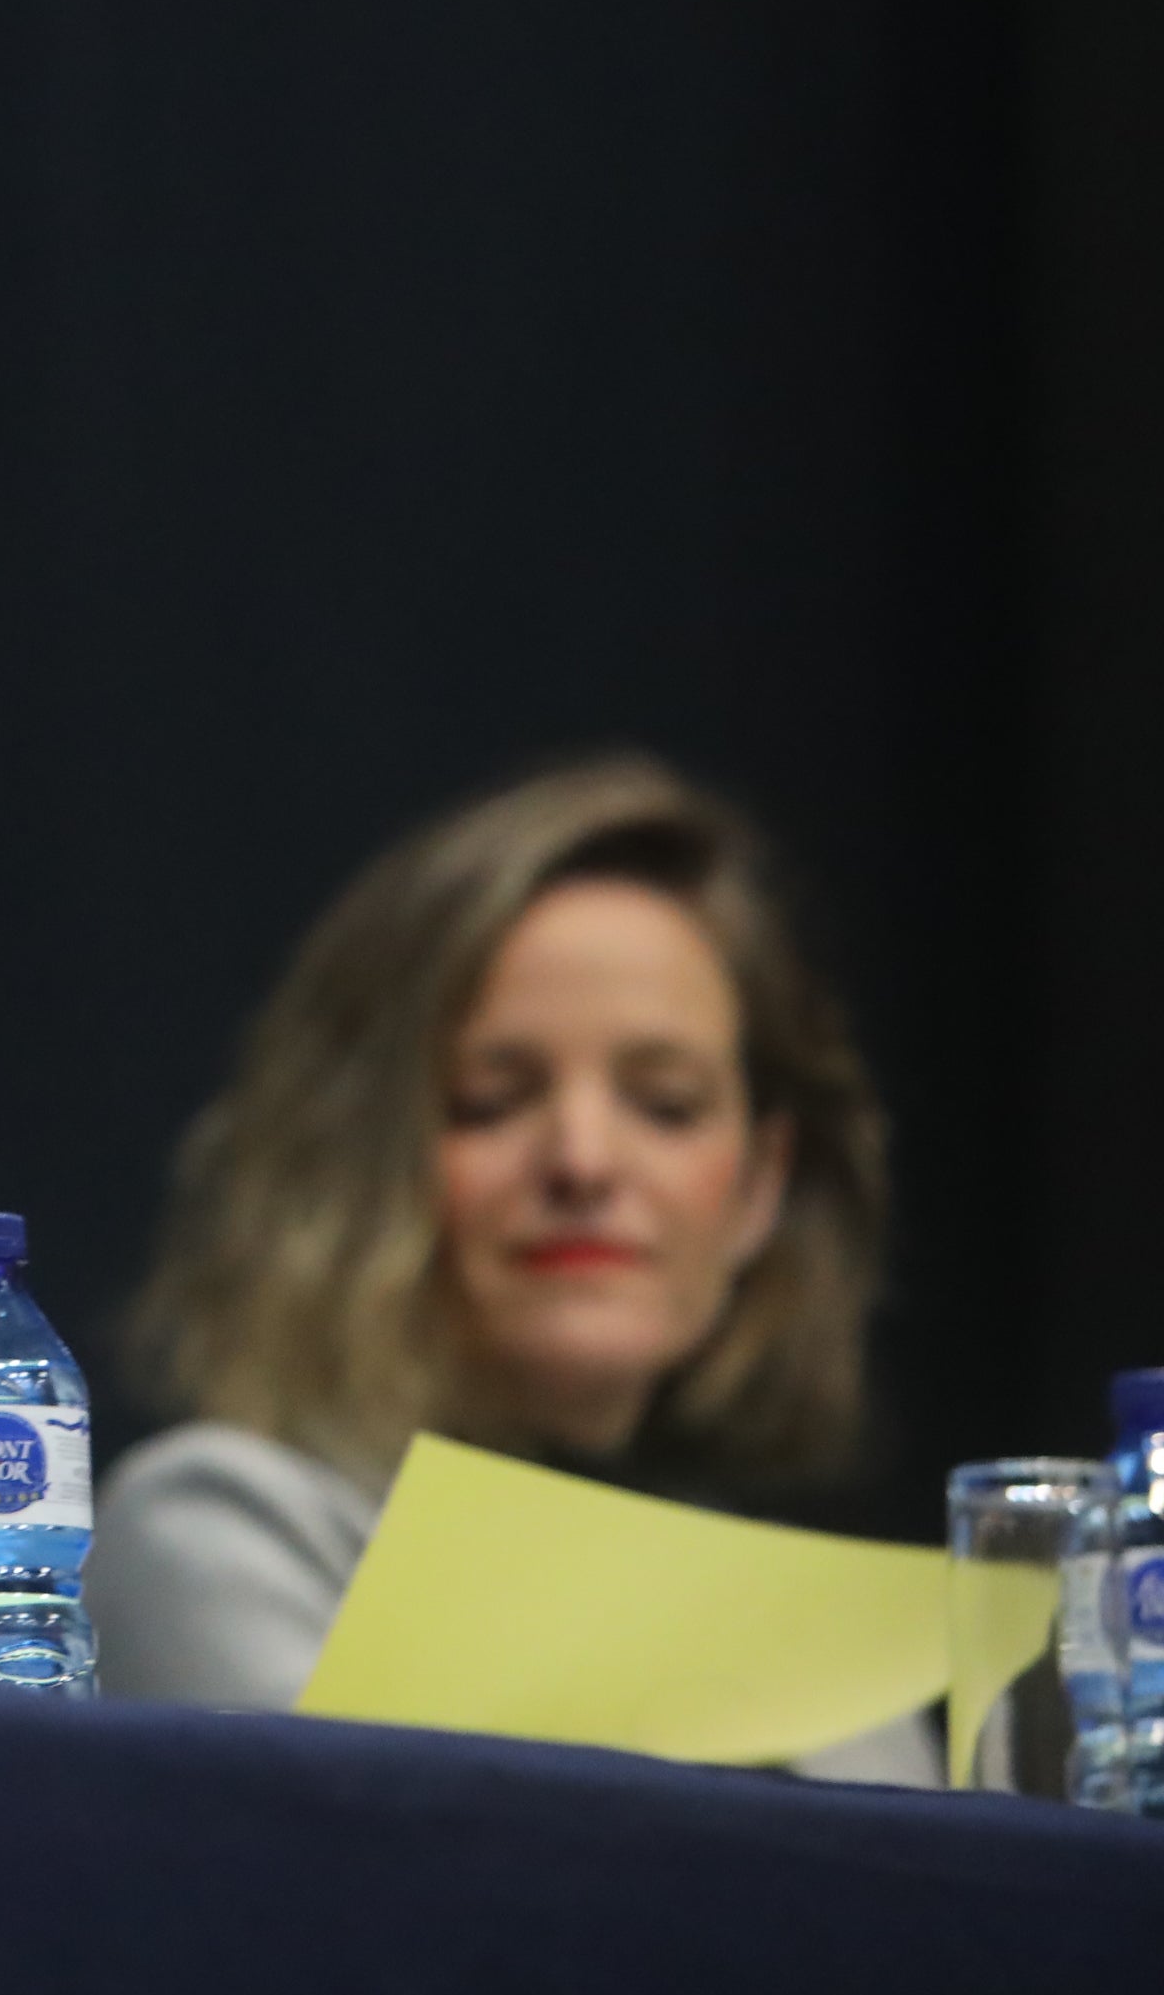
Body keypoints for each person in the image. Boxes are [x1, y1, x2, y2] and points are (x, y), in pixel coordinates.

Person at [87, 756, 905, 1768]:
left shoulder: (817, 1640)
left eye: (666, 1105)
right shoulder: (221, 1528)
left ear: (758, 1187)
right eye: (491, 1099)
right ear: (356, 1160)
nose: (583, 1160)